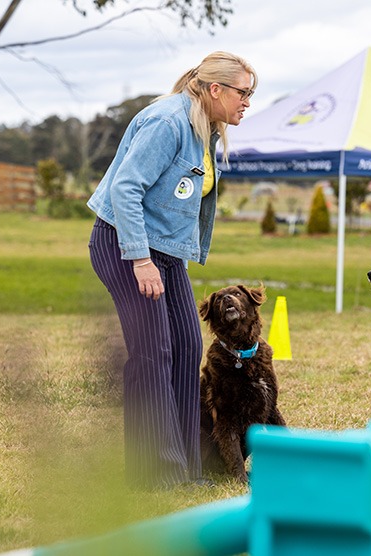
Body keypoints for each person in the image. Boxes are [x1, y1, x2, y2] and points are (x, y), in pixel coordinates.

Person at [87, 51, 257, 490]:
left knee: (185, 344)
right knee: (153, 353)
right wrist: (140, 259)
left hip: (164, 253)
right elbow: (126, 187)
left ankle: (185, 468)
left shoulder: (205, 130)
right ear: (215, 90)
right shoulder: (168, 122)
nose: (248, 103)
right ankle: (154, 474)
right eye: (244, 93)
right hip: (126, 246)